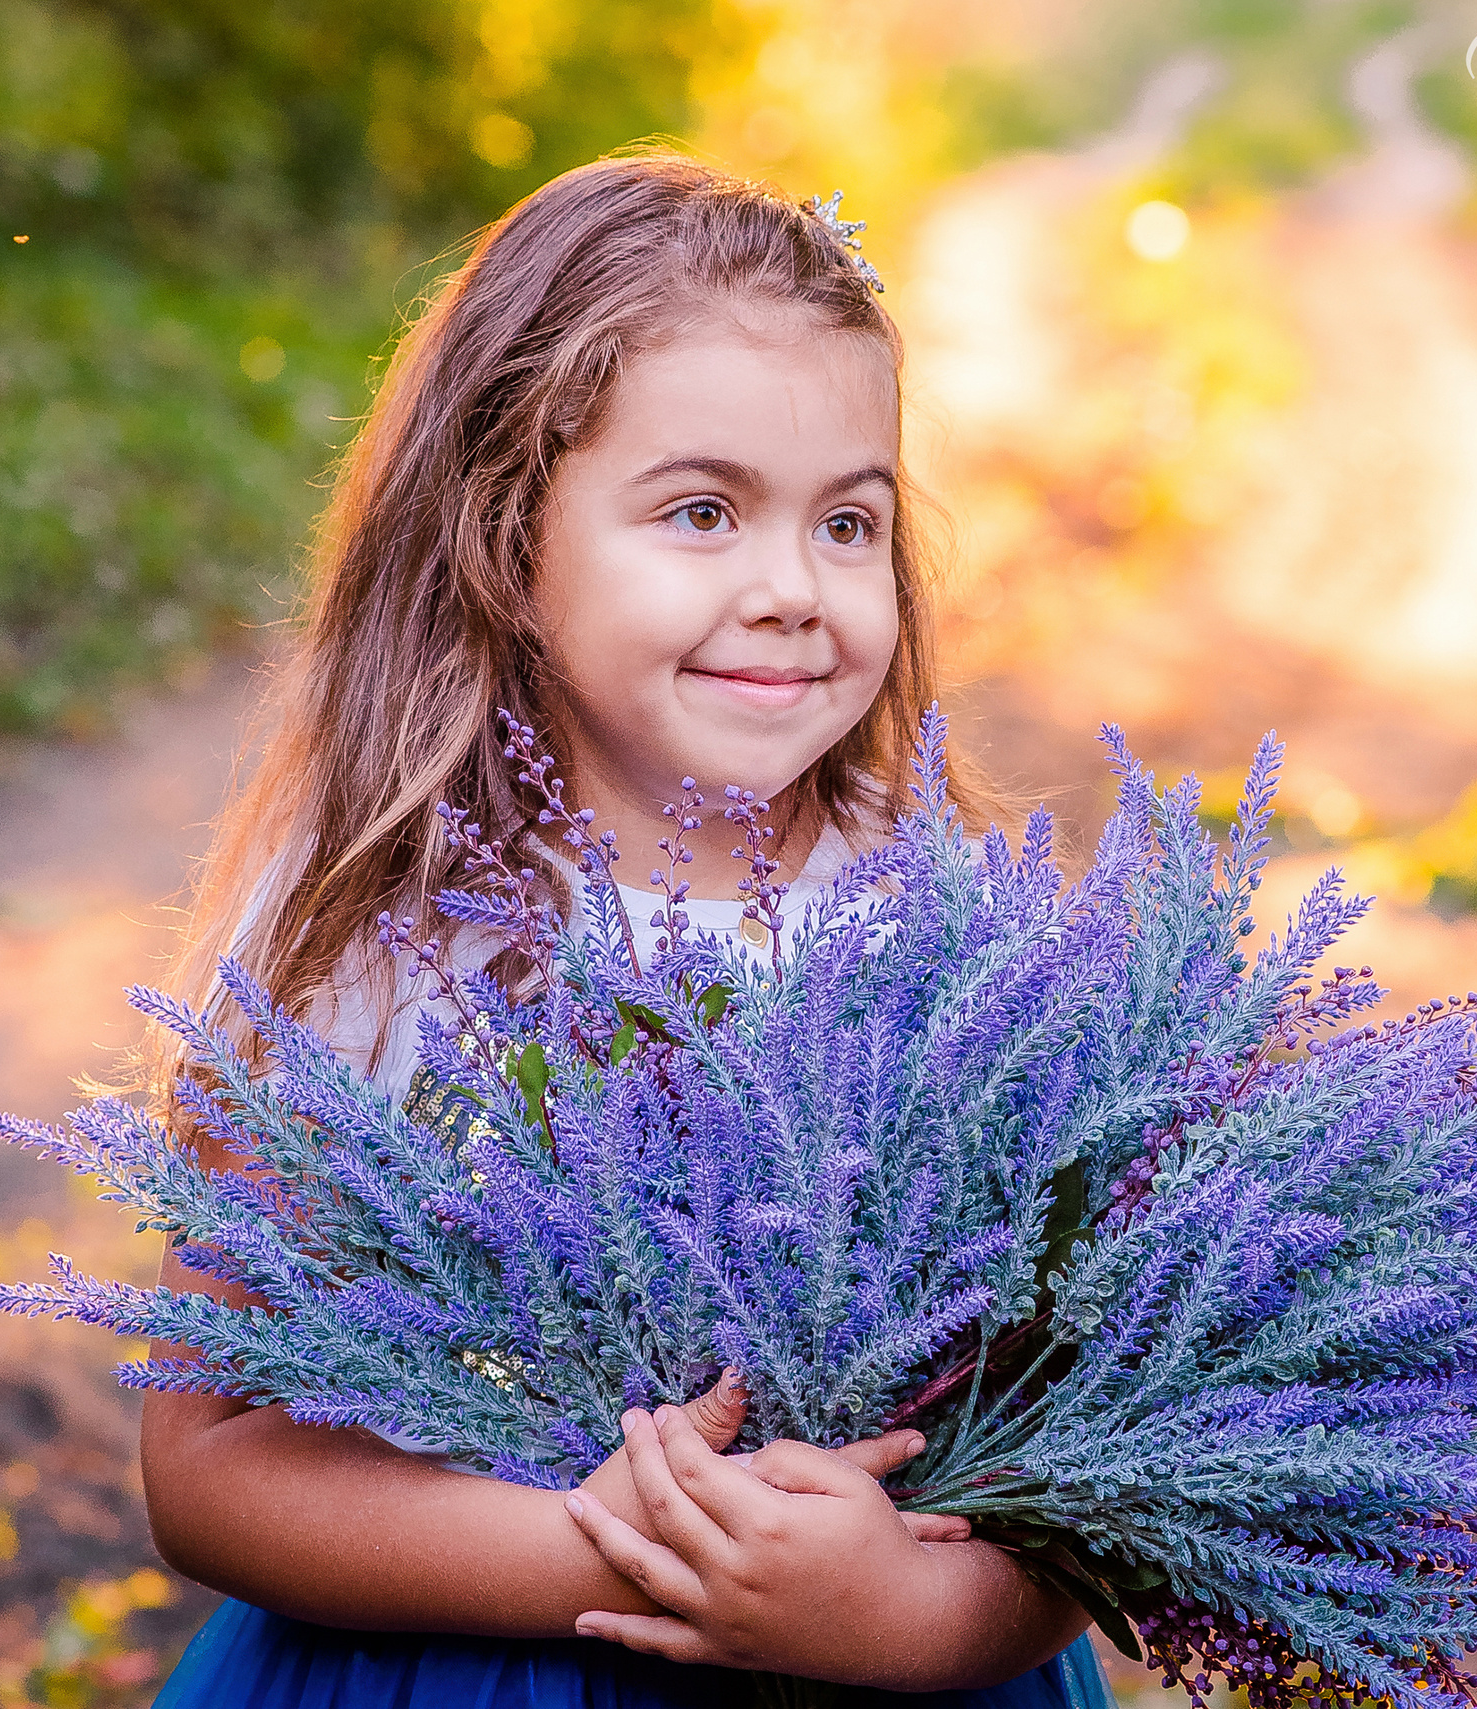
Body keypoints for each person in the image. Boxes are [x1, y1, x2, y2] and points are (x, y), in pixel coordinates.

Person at [140, 152, 1112, 1707]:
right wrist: (640, 1559)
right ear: (505, 539)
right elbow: (209, 1462)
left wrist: (922, 1622)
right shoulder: (379, 936)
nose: (796, 588)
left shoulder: (960, 928)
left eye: (850, 525)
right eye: (705, 511)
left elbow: (1099, 1437)